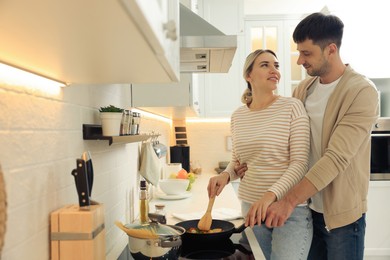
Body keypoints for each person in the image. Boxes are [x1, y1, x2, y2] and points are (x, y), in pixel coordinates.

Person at [252, 12, 379, 260]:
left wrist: (287, 202)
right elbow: (287, 141)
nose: (299, 60)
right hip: (307, 211)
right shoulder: (304, 89)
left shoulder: (362, 92)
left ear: (331, 49)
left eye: (307, 53)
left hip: (341, 217)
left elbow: (336, 158)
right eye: (299, 52)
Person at [207, 49, 313, 259]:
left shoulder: (292, 107)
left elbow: (300, 163)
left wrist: (269, 196)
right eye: (265, 65)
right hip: (252, 210)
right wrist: (226, 175)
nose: (274, 70)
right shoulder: (238, 116)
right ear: (249, 75)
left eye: (276, 65)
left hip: (289, 211)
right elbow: (238, 161)